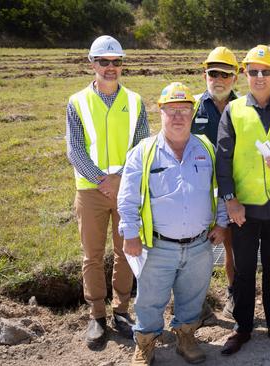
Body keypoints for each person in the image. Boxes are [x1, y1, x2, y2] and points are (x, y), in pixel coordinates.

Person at [117, 82, 228, 365]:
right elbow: (128, 198)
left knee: (192, 296)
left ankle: (186, 337)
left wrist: (222, 223)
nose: (178, 116)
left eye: (184, 110)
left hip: (200, 244)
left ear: (192, 113)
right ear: (161, 112)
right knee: (149, 300)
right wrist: (130, 235)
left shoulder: (205, 147)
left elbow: (221, 188)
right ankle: (145, 344)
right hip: (158, 246)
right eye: (171, 110)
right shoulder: (143, 152)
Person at [65, 35, 149, 349]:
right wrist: (103, 180)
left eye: (116, 62)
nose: (110, 68)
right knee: (93, 255)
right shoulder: (77, 102)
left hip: (126, 190)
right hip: (90, 191)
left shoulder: (136, 101)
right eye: (104, 61)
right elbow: (75, 150)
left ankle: (122, 311)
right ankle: (97, 315)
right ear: (92, 63)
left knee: (127, 250)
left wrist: (120, 179)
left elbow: (142, 147)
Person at [217, 45, 270, 355]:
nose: (260, 76)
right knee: (244, 269)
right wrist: (230, 200)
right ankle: (243, 327)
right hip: (244, 210)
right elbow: (223, 161)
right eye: (253, 72)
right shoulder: (234, 111)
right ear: (245, 75)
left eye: (266, 71)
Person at [192, 46, 240, 319]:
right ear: (205, 75)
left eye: (225, 73)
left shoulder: (243, 108)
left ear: (235, 77)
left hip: (233, 190)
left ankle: (234, 295)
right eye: (213, 73)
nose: (218, 79)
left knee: (233, 246)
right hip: (200, 191)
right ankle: (196, 304)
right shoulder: (193, 107)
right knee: (197, 251)